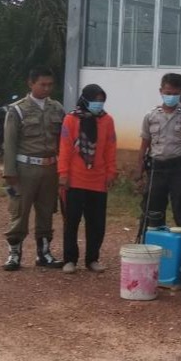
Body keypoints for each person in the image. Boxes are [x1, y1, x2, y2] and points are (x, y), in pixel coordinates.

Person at [1, 68, 66, 271]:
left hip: (50, 168)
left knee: (47, 211)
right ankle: (14, 254)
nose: (47, 88)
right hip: (25, 168)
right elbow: (10, 143)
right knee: (19, 211)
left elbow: (63, 141)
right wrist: (9, 172)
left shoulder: (57, 109)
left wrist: (64, 169)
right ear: (31, 84)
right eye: (42, 84)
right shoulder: (17, 110)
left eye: (50, 85)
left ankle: (44, 253)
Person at [57, 84, 117, 274]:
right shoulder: (71, 119)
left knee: (96, 223)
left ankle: (92, 259)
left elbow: (110, 148)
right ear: (85, 99)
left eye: (101, 101)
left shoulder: (107, 120)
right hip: (74, 179)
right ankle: (70, 259)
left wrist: (111, 173)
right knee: (71, 221)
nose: (98, 104)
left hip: (98, 179)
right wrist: (63, 173)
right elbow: (65, 148)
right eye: (94, 100)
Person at [138, 72, 181, 237]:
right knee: (152, 212)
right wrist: (139, 172)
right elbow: (144, 145)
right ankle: (150, 245)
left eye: (175, 93)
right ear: (161, 91)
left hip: (180, 168)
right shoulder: (151, 115)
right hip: (156, 168)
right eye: (168, 93)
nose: (171, 97)